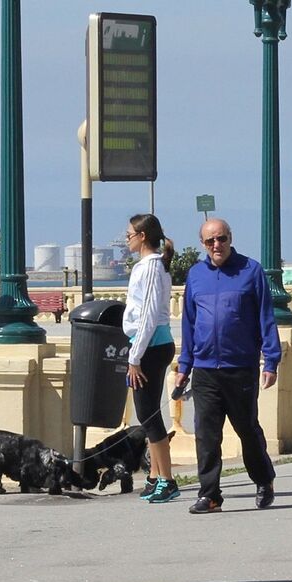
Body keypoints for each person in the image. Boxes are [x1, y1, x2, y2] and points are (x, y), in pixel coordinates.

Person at [175, 218, 281, 514]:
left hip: (241, 367)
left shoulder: (251, 271)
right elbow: (189, 323)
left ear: (230, 238)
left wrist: (271, 360)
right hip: (206, 369)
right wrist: (185, 365)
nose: (216, 245)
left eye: (221, 239)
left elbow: (266, 318)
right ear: (203, 245)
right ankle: (210, 494)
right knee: (206, 434)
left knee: (247, 430)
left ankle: (264, 480)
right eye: (210, 241)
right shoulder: (196, 275)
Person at [122, 214, 180, 504]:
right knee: (149, 413)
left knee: (147, 415)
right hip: (150, 345)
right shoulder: (149, 267)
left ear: (143, 236)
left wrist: (135, 357)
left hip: (150, 347)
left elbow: (146, 315)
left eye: (129, 234)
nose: (127, 239)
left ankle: (167, 480)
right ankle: (155, 475)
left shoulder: (150, 269)